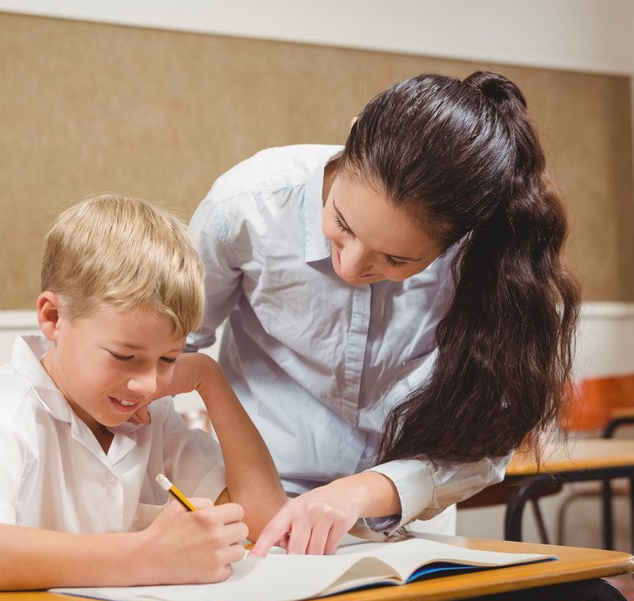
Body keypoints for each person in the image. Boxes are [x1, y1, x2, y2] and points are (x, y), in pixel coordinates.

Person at [186, 71, 581, 558]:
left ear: (458, 239)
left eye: (396, 260)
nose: (350, 267)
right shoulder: (247, 207)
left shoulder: (490, 260)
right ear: (352, 140)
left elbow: (485, 437)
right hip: (254, 498)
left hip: (404, 516)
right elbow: (168, 347)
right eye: (341, 224)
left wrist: (364, 491)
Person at [0, 193, 286, 591]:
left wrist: (210, 379)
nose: (147, 384)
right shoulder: (11, 411)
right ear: (53, 318)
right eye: (125, 356)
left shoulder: (149, 415)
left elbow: (264, 519)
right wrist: (145, 557)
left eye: (168, 359)